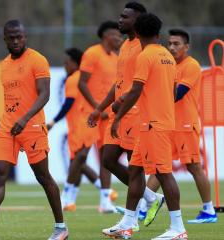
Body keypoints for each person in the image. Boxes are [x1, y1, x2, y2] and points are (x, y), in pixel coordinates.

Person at [0, 20, 68, 240]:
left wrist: (25, 118)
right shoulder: (4, 64)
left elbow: (45, 94)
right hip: (7, 126)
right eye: (11, 37)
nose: (15, 41)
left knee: (43, 177)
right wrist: (14, 120)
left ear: (25, 36)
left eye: (19, 36)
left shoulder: (38, 60)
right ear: (4, 39)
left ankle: (61, 227)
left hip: (31, 126)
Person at [102, 13, 188, 239]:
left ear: (137, 33)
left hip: (154, 123)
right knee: (135, 171)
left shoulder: (145, 55)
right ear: (159, 34)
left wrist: (118, 116)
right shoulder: (167, 56)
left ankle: (178, 229)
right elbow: (172, 90)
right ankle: (127, 224)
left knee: (164, 173)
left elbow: (137, 90)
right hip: (152, 122)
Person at [88, 2, 163, 227]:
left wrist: (120, 105)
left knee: (135, 167)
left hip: (136, 113)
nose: (119, 20)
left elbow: (141, 85)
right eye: (120, 16)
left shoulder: (144, 46)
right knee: (108, 159)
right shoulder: (125, 46)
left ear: (138, 19)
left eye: (125, 17)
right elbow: (119, 83)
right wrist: (100, 108)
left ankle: (131, 221)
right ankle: (150, 197)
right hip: (119, 112)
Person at [144, 29, 217, 225]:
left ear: (187, 47)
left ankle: (209, 210)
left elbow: (177, 94)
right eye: (170, 43)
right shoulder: (169, 65)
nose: (172, 47)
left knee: (193, 166)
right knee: (161, 165)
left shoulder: (191, 66)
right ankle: (144, 207)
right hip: (169, 125)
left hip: (185, 125)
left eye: (176, 44)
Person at [48, 21, 122, 213]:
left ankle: (105, 200)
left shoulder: (116, 58)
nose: (119, 39)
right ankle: (67, 196)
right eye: (116, 35)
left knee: (106, 157)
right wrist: (98, 108)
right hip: (90, 114)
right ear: (107, 35)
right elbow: (83, 84)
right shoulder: (92, 53)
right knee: (81, 156)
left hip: (109, 115)